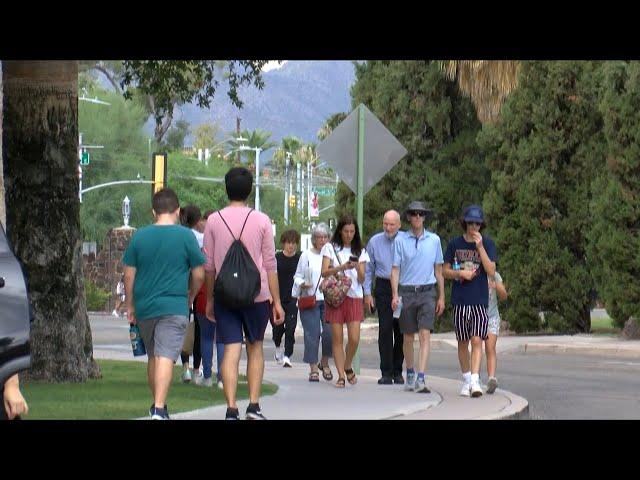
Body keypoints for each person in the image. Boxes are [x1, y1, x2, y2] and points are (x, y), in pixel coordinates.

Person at [203, 167, 284, 420]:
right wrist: (277, 301)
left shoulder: (214, 220)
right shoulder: (261, 220)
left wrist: (209, 299)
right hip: (256, 295)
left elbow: (209, 267)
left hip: (225, 295)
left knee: (230, 350)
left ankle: (230, 408)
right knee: (255, 347)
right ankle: (254, 405)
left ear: (226, 189)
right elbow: (270, 264)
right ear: (249, 191)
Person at [123, 188, 206, 419]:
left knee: (154, 356)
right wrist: (191, 295)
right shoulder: (186, 236)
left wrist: (130, 304)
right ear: (178, 211)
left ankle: (158, 404)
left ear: (153, 211)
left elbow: (129, 274)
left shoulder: (139, 236)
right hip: (174, 305)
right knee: (166, 355)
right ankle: (159, 408)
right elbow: (199, 274)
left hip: (145, 307)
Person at [443, 204, 497, 398]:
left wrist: (480, 246)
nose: (474, 226)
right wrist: (460, 273)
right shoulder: (455, 244)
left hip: (479, 299)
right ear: (464, 223)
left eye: (478, 223)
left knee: (477, 339)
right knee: (462, 341)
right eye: (471, 222)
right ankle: (466, 379)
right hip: (460, 299)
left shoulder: (488, 244)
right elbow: (444, 270)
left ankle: (475, 380)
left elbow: (491, 271)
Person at [390, 201, 445, 394]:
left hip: (427, 291)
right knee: (407, 336)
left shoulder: (434, 240)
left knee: (425, 334)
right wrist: (395, 294)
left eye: (421, 214)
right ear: (409, 217)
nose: (417, 217)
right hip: (406, 291)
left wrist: (441, 297)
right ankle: (410, 372)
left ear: (425, 217)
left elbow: (439, 270)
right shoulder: (400, 240)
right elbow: (395, 269)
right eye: (414, 214)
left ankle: (421, 377)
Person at [321, 214, 370, 388]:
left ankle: (348, 364)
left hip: (354, 295)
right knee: (337, 338)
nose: (349, 234)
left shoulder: (360, 251)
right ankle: (341, 375)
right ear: (340, 231)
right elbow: (324, 272)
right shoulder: (330, 247)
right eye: (346, 231)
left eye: (352, 231)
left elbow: (363, 280)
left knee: (355, 338)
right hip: (336, 296)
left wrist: (357, 268)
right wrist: (343, 266)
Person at [364, 210, 405, 385]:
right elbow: (368, 270)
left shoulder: (406, 240)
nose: (388, 228)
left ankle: (398, 371)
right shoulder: (374, 241)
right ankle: (386, 372)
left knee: (402, 330)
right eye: (385, 224)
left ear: (399, 224)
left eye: (392, 224)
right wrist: (367, 293)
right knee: (385, 329)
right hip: (383, 286)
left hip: (404, 287)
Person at [292, 223, 333, 382]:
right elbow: (297, 276)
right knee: (312, 334)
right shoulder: (306, 255)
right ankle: (313, 368)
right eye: (319, 237)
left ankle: (325, 362)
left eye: (325, 237)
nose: (322, 240)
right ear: (314, 239)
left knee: (330, 334)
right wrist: (303, 283)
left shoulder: (330, 255)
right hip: (310, 300)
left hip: (329, 300)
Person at [179, 205, 205, 384]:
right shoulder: (203, 239)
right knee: (199, 330)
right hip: (200, 288)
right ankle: (197, 370)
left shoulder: (179, 236)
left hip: (182, 287)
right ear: (199, 220)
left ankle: (185, 368)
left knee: (184, 329)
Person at [273, 230, 301, 368]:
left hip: (293, 298)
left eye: (294, 243)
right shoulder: (276, 258)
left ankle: (287, 355)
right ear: (284, 243)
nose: (291, 246)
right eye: (288, 243)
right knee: (278, 328)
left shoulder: (300, 258)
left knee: (290, 328)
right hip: (278, 298)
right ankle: (278, 346)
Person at [486, 271, 507, 393]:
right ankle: (474, 378)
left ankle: (491, 378)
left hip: (492, 316)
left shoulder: (495, 275)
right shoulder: (474, 271)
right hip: (477, 314)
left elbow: (504, 295)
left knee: (490, 348)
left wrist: (496, 286)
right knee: (475, 346)